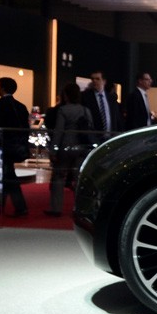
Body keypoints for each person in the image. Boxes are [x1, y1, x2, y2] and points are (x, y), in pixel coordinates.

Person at [45, 82, 93, 217]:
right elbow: (90, 129)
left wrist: (53, 150)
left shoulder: (63, 110)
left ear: (66, 95)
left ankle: (56, 208)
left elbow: (59, 131)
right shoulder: (85, 110)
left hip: (66, 147)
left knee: (58, 177)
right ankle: (81, 209)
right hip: (81, 147)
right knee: (79, 180)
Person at [0, 76, 30, 217]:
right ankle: (1, 205)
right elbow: (26, 129)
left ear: (3, 88)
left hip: (4, 145)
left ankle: (17, 206)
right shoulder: (21, 106)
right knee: (7, 174)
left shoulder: (0, 104)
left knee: (6, 175)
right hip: (16, 146)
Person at [80, 70, 122, 141]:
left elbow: (117, 118)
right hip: (94, 139)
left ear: (104, 81)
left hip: (111, 138)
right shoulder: (86, 97)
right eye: (92, 79)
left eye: (97, 79)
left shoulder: (111, 98)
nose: (94, 81)